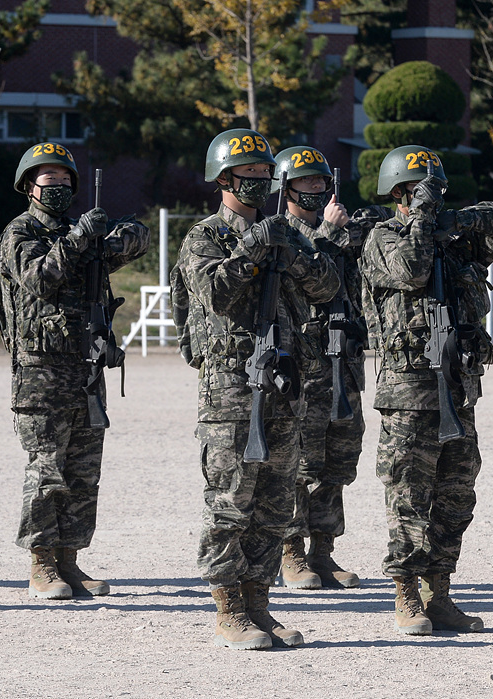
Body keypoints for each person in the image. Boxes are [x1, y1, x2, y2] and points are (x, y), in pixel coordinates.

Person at [171, 128, 339, 650]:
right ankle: (229, 609)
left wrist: (294, 251)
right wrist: (250, 250)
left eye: (266, 176)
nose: (259, 183)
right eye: (249, 176)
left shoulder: (285, 232)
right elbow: (217, 297)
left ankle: (259, 603)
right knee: (229, 502)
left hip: (285, 387)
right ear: (223, 178)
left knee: (274, 505)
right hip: (231, 393)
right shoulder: (205, 237)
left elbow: (328, 287)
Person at [359, 145, 493, 636]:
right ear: (398, 195)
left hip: (457, 389)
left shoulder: (454, 237)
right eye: (415, 192)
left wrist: (454, 216)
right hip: (409, 391)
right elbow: (411, 271)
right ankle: (406, 592)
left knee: (455, 496)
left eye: (432, 191)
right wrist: (425, 218)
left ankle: (439, 592)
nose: (426, 200)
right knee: (409, 495)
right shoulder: (382, 238)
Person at [0, 142, 149, 600]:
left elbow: (137, 237)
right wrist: (82, 238)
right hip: (40, 375)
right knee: (47, 470)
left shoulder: (85, 236)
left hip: (85, 371)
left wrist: (108, 237)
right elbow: (40, 277)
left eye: (64, 180)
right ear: (28, 186)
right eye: (48, 180)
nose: (58, 187)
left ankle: (70, 559)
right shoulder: (19, 235)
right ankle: (42, 564)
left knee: (83, 472)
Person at [270, 146, 365, 590]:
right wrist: (327, 233)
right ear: (286, 186)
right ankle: (290, 553)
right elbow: (307, 279)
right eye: (306, 181)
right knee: (296, 463)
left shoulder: (343, 230)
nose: (316, 187)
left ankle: (323, 551)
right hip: (300, 365)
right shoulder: (278, 233)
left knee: (336, 462)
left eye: (320, 181)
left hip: (339, 362)